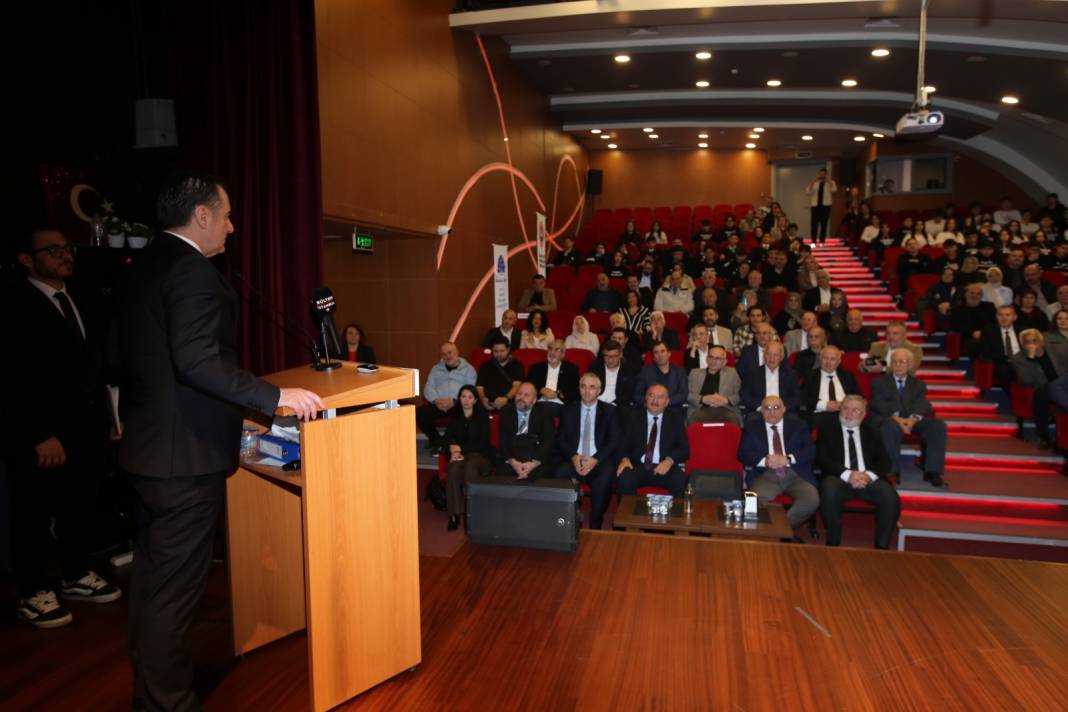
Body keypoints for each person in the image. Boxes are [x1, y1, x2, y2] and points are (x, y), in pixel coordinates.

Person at [114, 172, 324, 709]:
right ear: (201, 216)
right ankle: (168, 702)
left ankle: (150, 694)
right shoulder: (191, 272)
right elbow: (197, 362)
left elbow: (130, 358)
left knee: (153, 585)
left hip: (149, 451)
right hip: (184, 459)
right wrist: (273, 397)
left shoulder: (145, 265)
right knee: (174, 595)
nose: (233, 226)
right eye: (226, 215)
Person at [9, 227, 117, 629]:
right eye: (52, 250)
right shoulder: (14, 304)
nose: (64, 255)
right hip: (41, 433)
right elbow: (13, 378)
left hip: (86, 427)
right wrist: (39, 434)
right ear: (26, 259)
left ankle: (75, 574)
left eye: (66, 248)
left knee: (79, 503)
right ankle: (33, 590)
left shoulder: (80, 299)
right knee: (34, 511)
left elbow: (96, 368)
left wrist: (110, 419)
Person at [815, 396, 900, 549]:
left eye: (855, 410)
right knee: (829, 489)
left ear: (863, 414)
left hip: (867, 479)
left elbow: (885, 462)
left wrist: (868, 476)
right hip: (839, 477)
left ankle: (882, 546)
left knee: (889, 495)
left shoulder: (873, 431)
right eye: (845, 408)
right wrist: (849, 475)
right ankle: (833, 542)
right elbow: (822, 458)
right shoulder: (828, 429)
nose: (849, 413)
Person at [737, 396, 819, 535]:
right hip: (765, 475)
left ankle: (779, 530)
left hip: (795, 474)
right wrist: (766, 461)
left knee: (812, 500)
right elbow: (744, 453)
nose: (772, 412)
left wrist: (787, 459)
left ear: (784, 410)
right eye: (767, 408)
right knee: (752, 501)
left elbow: (810, 451)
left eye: (776, 408)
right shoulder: (752, 427)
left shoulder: (798, 426)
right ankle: (774, 532)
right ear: (761, 411)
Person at [870, 349, 948, 487]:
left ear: (910, 365)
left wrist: (912, 420)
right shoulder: (879, 382)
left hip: (912, 421)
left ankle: (932, 471)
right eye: (895, 362)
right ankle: (891, 471)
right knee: (888, 425)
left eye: (902, 362)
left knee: (938, 425)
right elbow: (878, 404)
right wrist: (899, 420)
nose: (898, 365)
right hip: (891, 420)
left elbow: (923, 404)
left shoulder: (918, 384)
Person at [552, 373, 620, 530]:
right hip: (574, 459)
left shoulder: (610, 411)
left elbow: (614, 441)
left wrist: (595, 459)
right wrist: (574, 457)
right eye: (583, 386)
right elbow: (561, 439)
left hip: (598, 460)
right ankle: (569, 520)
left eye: (592, 387)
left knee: (605, 477)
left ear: (599, 390)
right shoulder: (568, 410)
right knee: (560, 473)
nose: (587, 391)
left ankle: (596, 523)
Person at [616, 384, 690, 498]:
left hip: (663, 466)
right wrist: (624, 459)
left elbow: (684, 449)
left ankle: (674, 515)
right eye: (651, 396)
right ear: (646, 399)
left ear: (667, 402)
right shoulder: (632, 416)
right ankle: (627, 515)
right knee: (625, 477)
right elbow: (622, 444)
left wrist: (669, 461)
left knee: (679, 479)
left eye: (660, 397)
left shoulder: (675, 419)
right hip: (637, 466)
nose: (655, 400)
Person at [443, 385, 495, 531]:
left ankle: (471, 513)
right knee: (453, 468)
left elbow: (483, 442)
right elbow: (446, 439)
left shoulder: (482, 415)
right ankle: (453, 514)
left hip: (481, 456)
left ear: (475, 400)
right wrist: (453, 450)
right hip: (461, 456)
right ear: (459, 398)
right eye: (463, 396)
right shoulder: (455, 415)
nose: (466, 400)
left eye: (470, 397)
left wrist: (461, 448)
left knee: (471, 466)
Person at [416, 342, 477, 455]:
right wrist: (437, 400)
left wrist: (454, 401)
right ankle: (437, 441)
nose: (447, 356)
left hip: (459, 404)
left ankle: (448, 444)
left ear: (457, 352)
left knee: (458, 416)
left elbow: (470, 390)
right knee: (418, 413)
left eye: (450, 352)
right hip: (439, 403)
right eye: (444, 354)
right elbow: (428, 387)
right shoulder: (436, 369)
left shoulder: (469, 369)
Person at [1012, 329, 1068, 449]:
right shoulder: (1019, 358)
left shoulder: (1060, 349)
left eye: (1035, 340)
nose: (1032, 344)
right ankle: (1044, 436)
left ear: (1042, 341)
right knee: (1041, 395)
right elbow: (1027, 380)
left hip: (1063, 385)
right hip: (1042, 389)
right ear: (1023, 345)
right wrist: (1031, 358)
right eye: (1027, 342)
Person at [496, 382, 555, 480]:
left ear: (534, 400)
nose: (521, 397)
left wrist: (533, 464)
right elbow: (504, 442)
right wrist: (514, 463)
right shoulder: (506, 411)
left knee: (542, 474)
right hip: (513, 459)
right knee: (501, 473)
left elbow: (547, 442)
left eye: (526, 395)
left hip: (535, 459)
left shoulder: (545, 413)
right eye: (519, 394)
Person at [801, 346, 861, 429]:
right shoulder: (810, 376)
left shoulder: (848, 376)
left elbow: (858, 397)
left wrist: (844, 405)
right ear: (820, 358)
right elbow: (803, 397)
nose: (828, 362)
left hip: (845, 413)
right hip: (820, 414)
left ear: (839, 361)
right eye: (825, 358)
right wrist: (824, 405)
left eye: (833, 359)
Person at [686, 346, 742, 426]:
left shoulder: (732, 373)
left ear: (724, 362)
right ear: (706, 359)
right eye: (711, 357)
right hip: (699, 410)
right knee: (694, 425)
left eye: (718, 358)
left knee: (732, 424)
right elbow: (686, 394)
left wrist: (727, 400)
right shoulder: (695, 373)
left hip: (726, 410)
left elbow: (741, 394)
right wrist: (702, 399)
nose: (713, 361)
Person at [740, 341, 802, 413]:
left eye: (775, 355)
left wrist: (783, 408)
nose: (771, 358)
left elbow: (796, 396)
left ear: (781, 357)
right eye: (768, 354)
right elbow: (745, 394)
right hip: (760, 412)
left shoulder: (791, 374)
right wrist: (760, 408)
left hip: (784, 412)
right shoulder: (752, 373)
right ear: (764, 355)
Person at [527, 340, 580, 418]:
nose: (552, 352)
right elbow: (528, 386)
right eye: (550, 349)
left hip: (561, 405)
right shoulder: (536, 368)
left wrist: (557, 393)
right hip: (538, 403)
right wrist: (540, 390)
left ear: (563, 354)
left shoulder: (571, 369)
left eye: (556, 350)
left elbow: (575, 391)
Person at [978, 305, 1022, 389]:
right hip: (1002, 363)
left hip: (1022, 363)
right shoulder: (989, 330)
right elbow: (986, 353)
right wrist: (1009, 359)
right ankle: (1013, 397)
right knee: (1004, 370)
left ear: (1015, 317)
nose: (1003, 318)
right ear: (996, 317)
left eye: (1007, 315)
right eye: (1000, 315)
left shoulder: (1022, 330)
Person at [634, 341, 688, 409]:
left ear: (669, 354)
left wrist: (667, 402)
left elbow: (684, 393)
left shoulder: (680, 371)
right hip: (651, 409)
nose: (660, 355)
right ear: (653, 357)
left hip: (673, 408)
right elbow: (637, 395)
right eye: (656, 352)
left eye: (662, 351)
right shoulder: (645, 371)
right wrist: (650, 403)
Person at [476, 337, 524, 410]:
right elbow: (479, 387)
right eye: (496, 351)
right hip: (487, 403)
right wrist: (483, 399)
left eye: (502, 351)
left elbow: (517, 386)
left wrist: (505, 399)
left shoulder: (516, 365)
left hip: (508, 402)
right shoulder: (485, 365)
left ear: (508, 349)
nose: (499, 354)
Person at [589, 339, 638, 410]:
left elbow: (630, 393)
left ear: (621, 355)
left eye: (614, 356)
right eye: (607, 356)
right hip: (596, 404)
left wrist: (614, 404)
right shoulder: (595, 367)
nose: (610, 360)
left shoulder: (629, 370)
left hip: (618, 406)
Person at [951, 283, 997, 358]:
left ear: (981, 296)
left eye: (978, 294)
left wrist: (983, 333)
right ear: (966, 295)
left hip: (987, 336)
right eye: (972, 293)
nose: (975, 296)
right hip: (967, 337)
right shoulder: (957, 310)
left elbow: (994, 323)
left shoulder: (989, 307)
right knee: (972, 344)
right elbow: (956, 326)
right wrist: (972, 333)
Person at [805, 167, 837, 244]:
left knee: (824, 225)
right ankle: (813, 242)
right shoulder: (815, 183)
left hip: (825, 207)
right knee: (814, 225)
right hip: (815, 206)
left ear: (826, 175)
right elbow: (807, 192)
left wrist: (828, 180)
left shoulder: (830, 182)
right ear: (818, 174)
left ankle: (822, 242)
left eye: (824, 174)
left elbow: (834, 189)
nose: (822, 176)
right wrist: (814, 181)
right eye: (820, 174)